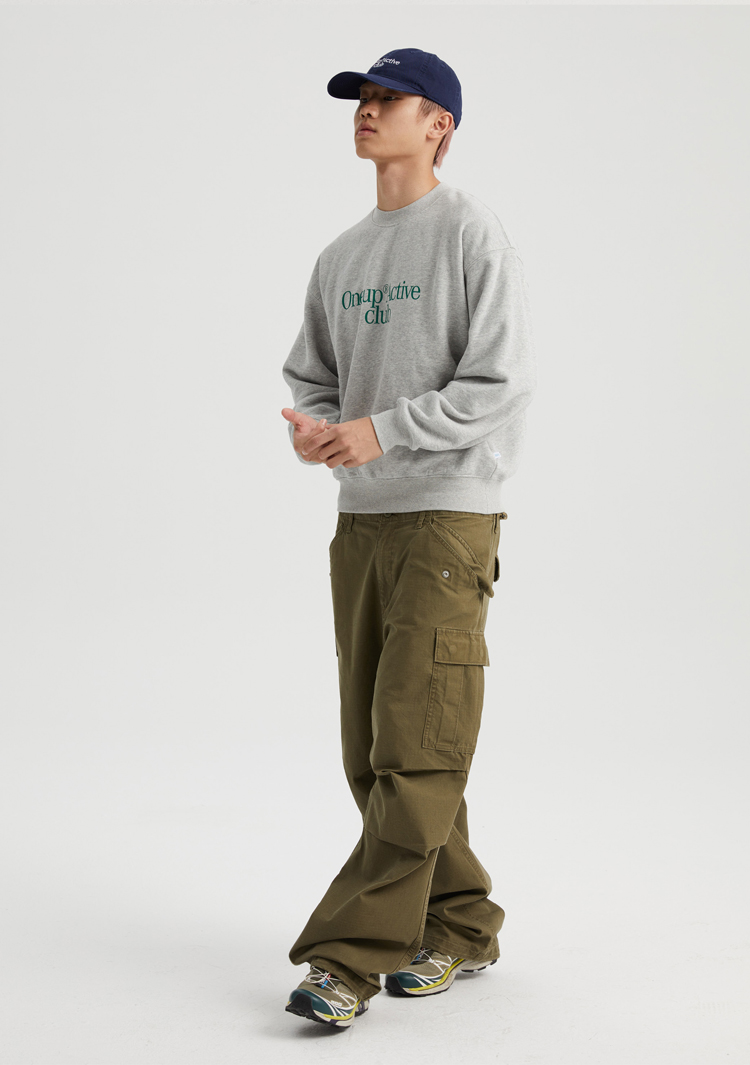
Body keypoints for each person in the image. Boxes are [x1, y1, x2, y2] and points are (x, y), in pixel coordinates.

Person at [280, 47, 537, 1028]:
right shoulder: (341, 256)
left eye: (392, 98)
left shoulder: (471, 232)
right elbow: (313, 377)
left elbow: (499, 382)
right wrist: (319, 430)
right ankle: (461, 919)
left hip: (446, 517)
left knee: (417, 749)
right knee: (375, 749)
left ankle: (348, 958)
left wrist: (382, 430)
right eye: (362, 97)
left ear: (440, 125)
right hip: (362, 521)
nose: (369, 109)